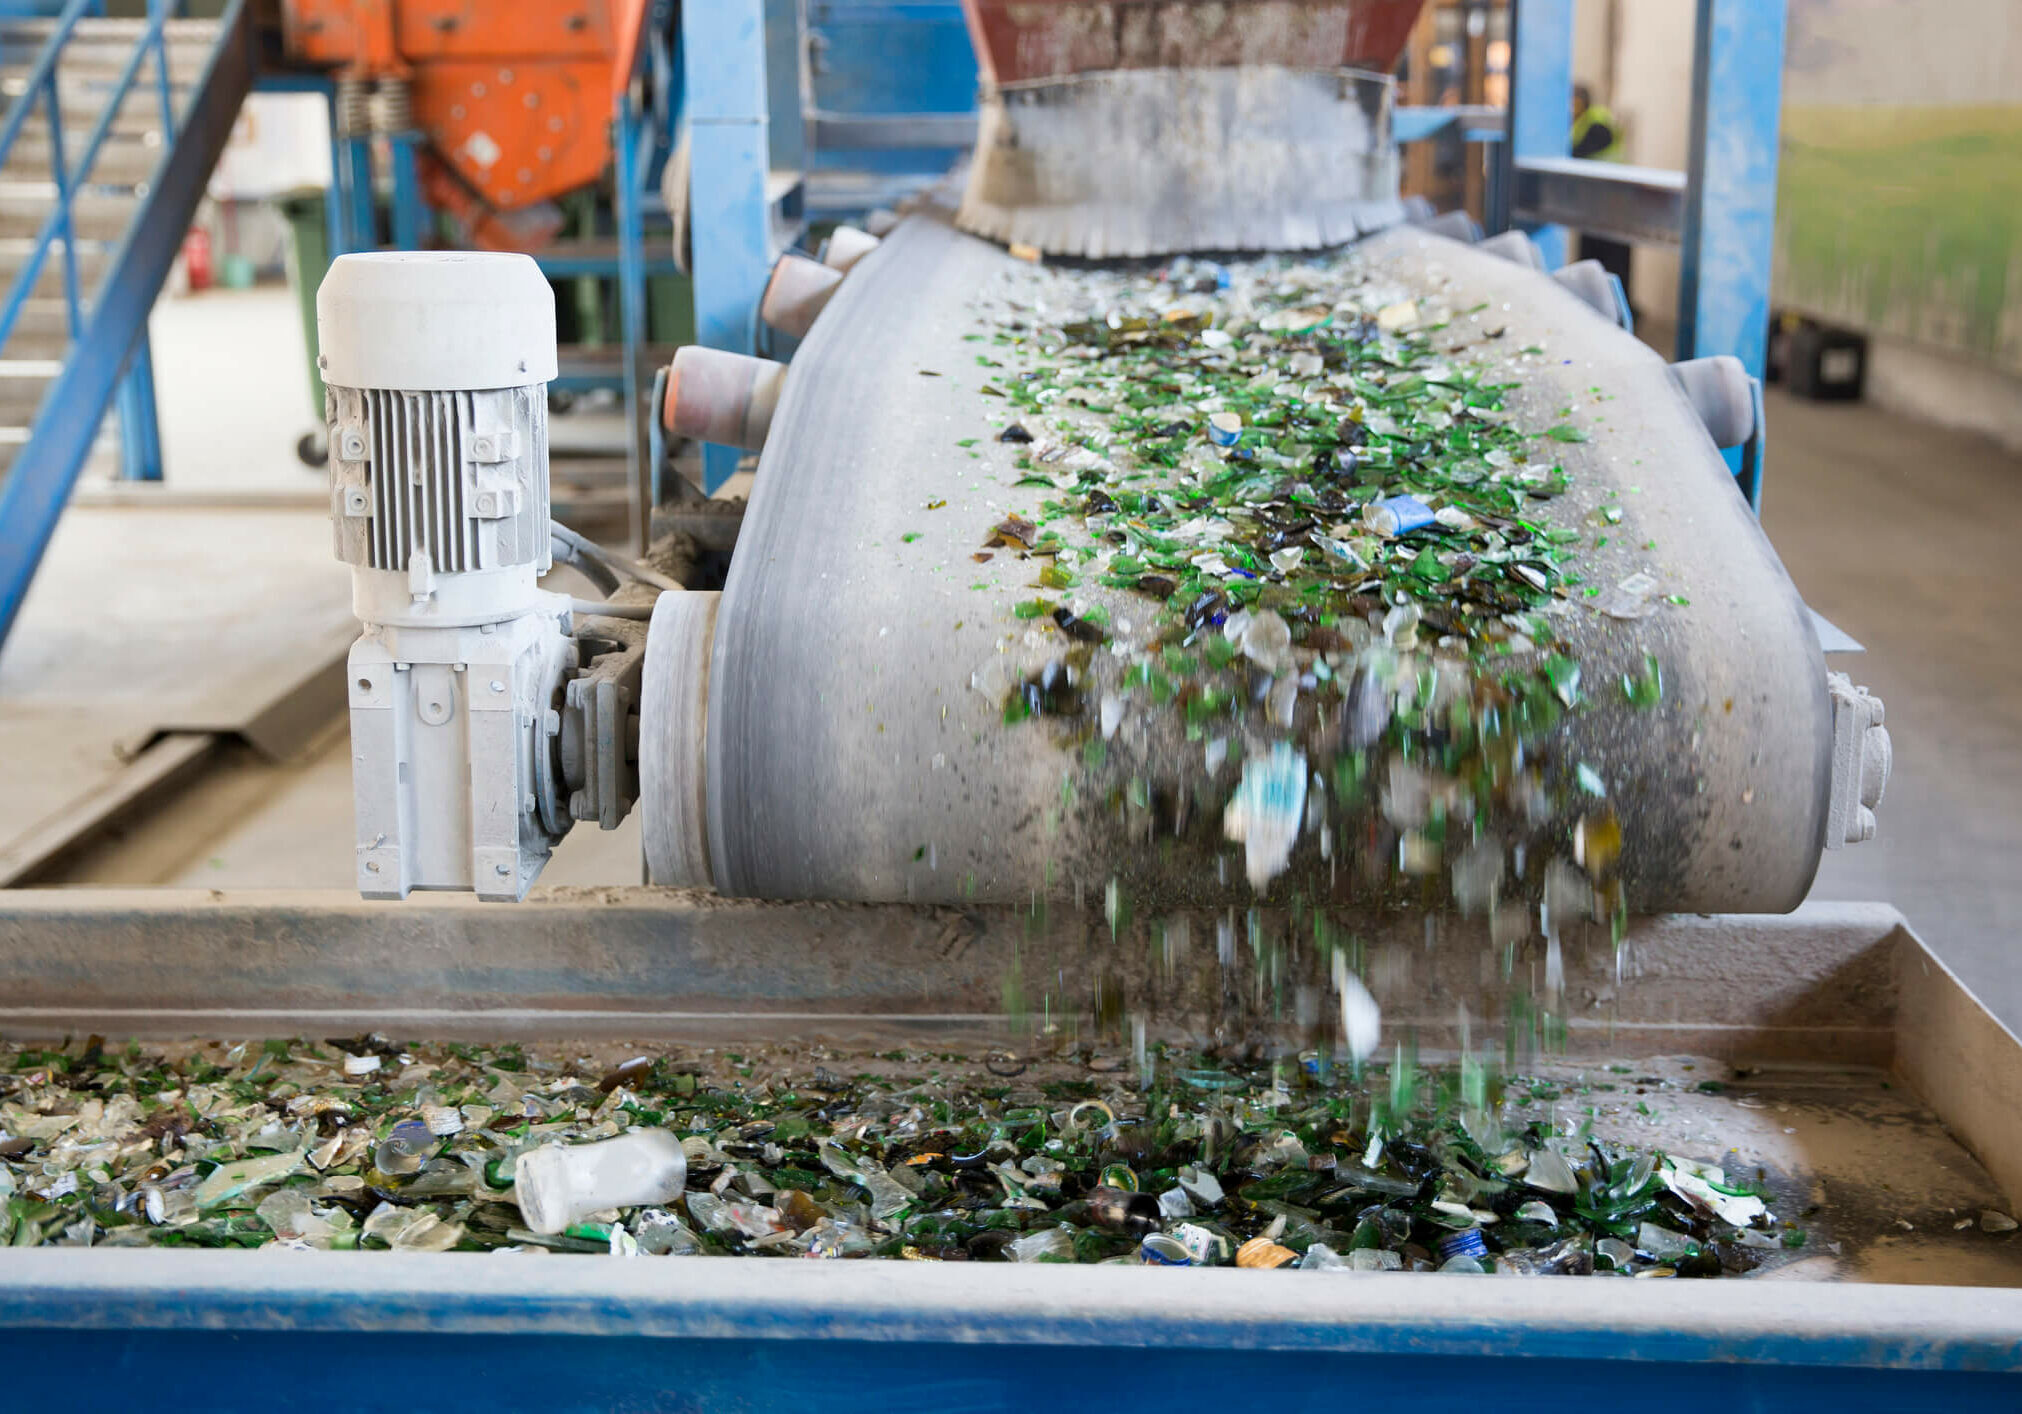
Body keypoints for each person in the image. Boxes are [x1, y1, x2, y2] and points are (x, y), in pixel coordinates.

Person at [1571, 83, 1632, 299]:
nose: (1572, 107)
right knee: (1593, 258)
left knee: (1612, 262)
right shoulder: (1580, 123)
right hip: (1596, 202)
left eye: (1575, 101)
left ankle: (1615, 305)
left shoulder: (1597, 121)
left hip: (1615, 201)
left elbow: (1581, 150)